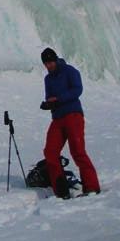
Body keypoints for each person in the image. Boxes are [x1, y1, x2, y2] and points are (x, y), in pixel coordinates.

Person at [40, 47, 100, 199]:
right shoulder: (48, 79)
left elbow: (77, 89)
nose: (49, 66)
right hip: (58, 118)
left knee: (78, 151)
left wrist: (59, 99)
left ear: (55, 59)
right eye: (46, 63)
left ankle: (92, 187)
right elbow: (50, 96)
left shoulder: (69, 71)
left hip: (73, 115)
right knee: (50, 152)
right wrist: (48, 104)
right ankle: (61, 191)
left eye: (51, 62)